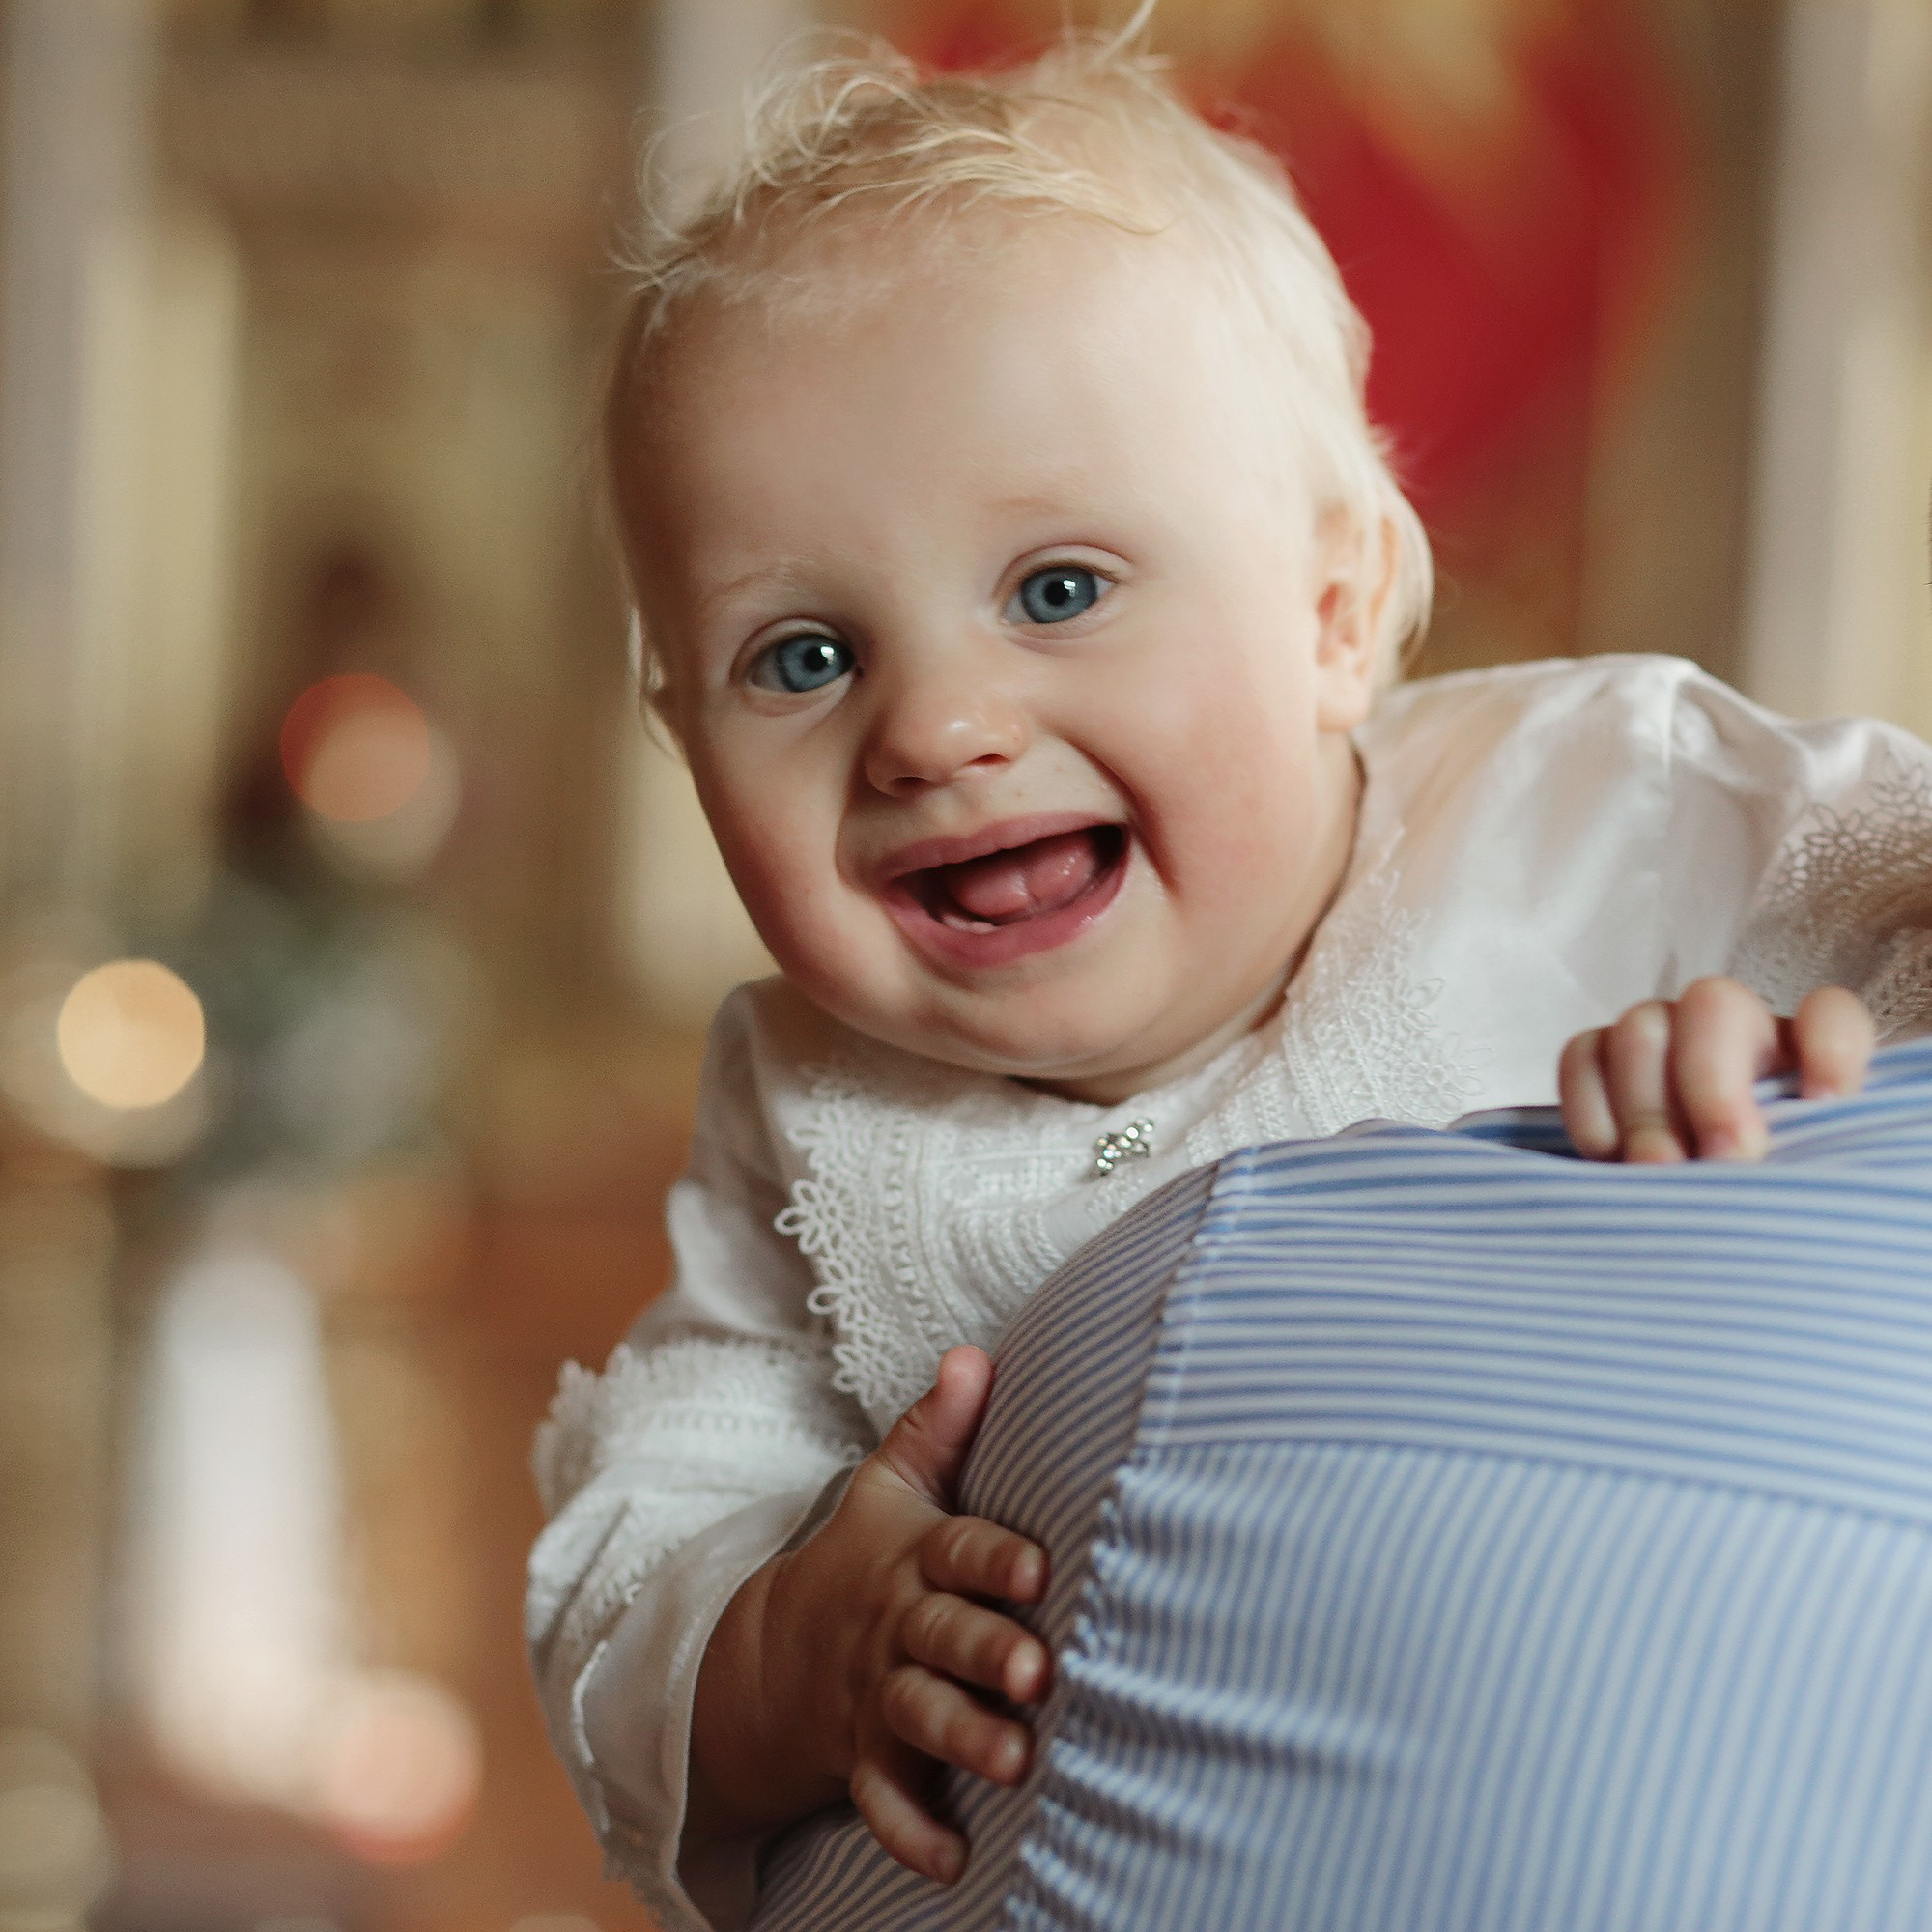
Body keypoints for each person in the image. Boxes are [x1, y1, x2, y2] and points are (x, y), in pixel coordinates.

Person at [525, 25, 1932, 1932]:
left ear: (1335, 610)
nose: (935, 725)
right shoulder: (812, 1101)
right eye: (797, 658)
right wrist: (786, 1647)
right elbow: (646, 1528)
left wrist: (1796, 1044)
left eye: (1056, 591)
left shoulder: (1605, 807)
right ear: (679, 741)